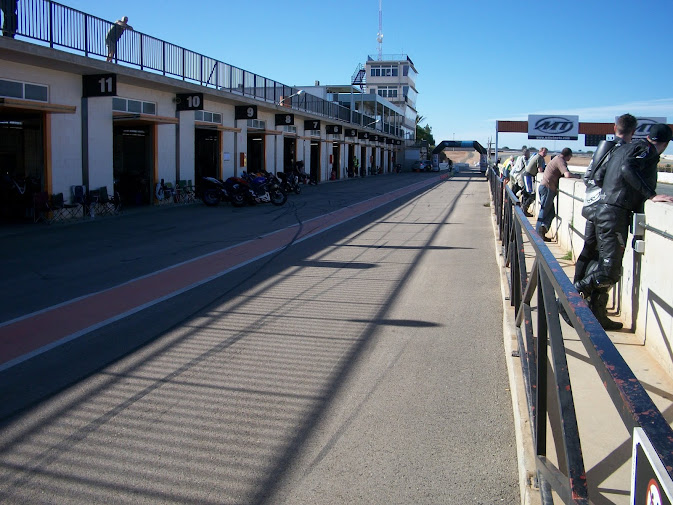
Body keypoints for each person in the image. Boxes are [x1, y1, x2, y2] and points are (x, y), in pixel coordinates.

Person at [574, 123, 673, 329]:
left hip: (605, 210)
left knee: (606, 266)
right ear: (664, 144)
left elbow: (598, 177)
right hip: (615, 214)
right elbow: (628, 168)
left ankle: (598, 314)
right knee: (609, 272)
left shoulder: (622, 147)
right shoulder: (646, 151)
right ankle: (570, 297)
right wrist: (651, 195)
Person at [535, 148, 578, 241]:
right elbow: (567, 175)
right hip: (548, 188)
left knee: (551, 213)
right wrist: (577, 176)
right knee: (544, 211)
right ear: (568, 155)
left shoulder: (556, 159)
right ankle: (537, 233)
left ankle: (543, 228)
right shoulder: (560, 161)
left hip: (545, 187)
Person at [521, 147, 548, 216]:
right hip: (528, 176)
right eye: (544, 152)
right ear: (540, 151)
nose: (545, 154)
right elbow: (540, 170)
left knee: (527, 193)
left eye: (546, 152)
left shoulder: (537, 156)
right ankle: (524, 209)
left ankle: (523, 209)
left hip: (527, 175)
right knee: (531, 194)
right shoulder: (539, 158)